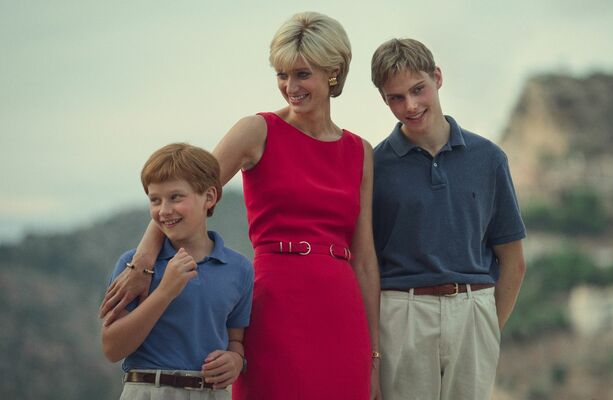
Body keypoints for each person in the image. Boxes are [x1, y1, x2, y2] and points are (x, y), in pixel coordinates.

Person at [100, 12, 381, 399]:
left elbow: (365, 260)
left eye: (302, 74)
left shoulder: (360, 152)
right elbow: (187, 193)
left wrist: (374, 354)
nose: (289, 86)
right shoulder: (257, 130)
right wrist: (143, 261)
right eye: (282, 75)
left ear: (333, 72)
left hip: (341, 310)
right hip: (276, 303)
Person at [370, 38, 527, 400]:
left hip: (473, 310)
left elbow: (513, 261)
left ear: (437, 77)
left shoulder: (489, 158)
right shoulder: (373, 166)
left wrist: (486, 325)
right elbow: (367, 261)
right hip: (401, 314)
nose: (410, 105)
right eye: (396, 97)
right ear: (384, 99)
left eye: (418, 89)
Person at [102, 143, 254, 399]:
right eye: (155, 200)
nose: (164, 210)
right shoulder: (134, 268)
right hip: (148, 391)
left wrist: (235, 360)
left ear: (209, 197)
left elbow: (236, 340)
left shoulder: (239, 269)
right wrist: (164, 293)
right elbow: (112, 348)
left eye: (175, 197)